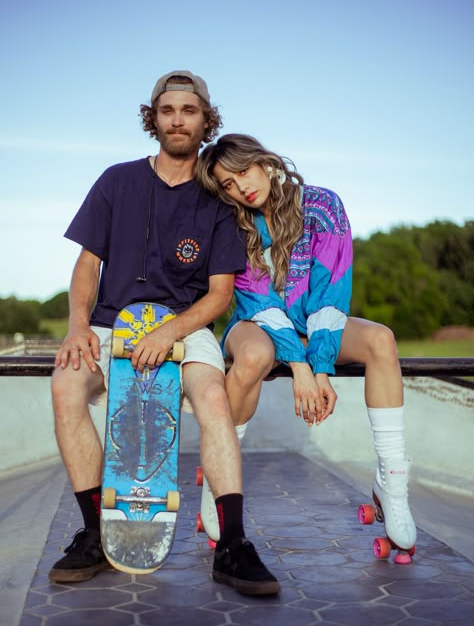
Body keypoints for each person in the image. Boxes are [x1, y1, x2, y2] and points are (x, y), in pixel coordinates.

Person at [48, 75, 280, 596]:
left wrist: (170, 331)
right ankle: (94, 532)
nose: (178, 118)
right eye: (168, 109)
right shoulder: (116, 181)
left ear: (206, 121)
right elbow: (88, 263)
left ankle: (233, 546)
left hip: (187, 323)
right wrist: (78, 325)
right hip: (110, 323)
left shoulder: (218, 200)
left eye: (190, 109)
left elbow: (220, 295)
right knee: (65, 388)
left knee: (214, 401)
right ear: (153, 118)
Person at [195, 133, 417, 562]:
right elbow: (259, 299)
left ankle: (393, 483)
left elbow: (330, 290)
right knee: (257, 354)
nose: (241, 187)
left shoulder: (323, 205)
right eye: (227, 184)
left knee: (380, 339)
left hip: (315, 323)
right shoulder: (233, 222)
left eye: (243, 172)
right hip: (256, 323)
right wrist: (299, 367)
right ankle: (218, 480)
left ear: (264, 162)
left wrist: (320, 367)